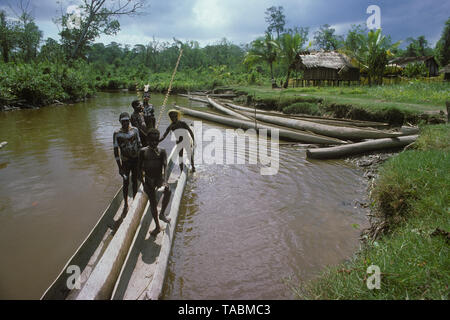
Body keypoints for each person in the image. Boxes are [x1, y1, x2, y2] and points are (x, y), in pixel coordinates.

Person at [138, 128, 172, 236]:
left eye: (156, 141)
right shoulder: (143, 151)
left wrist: (165, 181)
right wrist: (143, 183)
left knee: (168, 191)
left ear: (158, 140)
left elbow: (165, 166)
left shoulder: (162, 151)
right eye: (151, 141)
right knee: (152, 203)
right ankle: (157, 226)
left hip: (159, 178)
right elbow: (139, 168)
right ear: (147, 140)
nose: (154, 143)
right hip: (148, 180)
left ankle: (162, 214)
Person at [113, 112, 142, 216]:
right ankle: (125, 203)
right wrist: (119, 167)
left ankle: (134, 198)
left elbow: (139, 144)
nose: (125, 123)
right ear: (120, 122)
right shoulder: (117, 133)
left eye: (127, 121)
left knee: (134, 180)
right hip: (125, 162)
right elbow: (116, 151)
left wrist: (141, 161)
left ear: (129, 121)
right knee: (125, 182)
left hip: (135, 160)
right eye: (123, 121)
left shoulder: (135, 130)